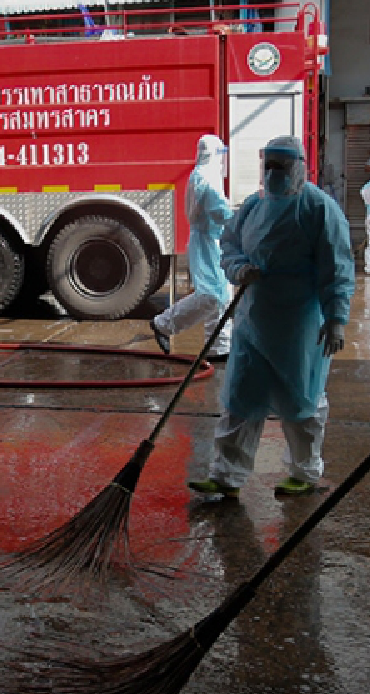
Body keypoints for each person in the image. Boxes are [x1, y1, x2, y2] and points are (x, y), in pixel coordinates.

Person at [187, 135, 353, 499]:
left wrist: (336, 317)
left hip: (298, 324)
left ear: (300, 166)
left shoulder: (318, 208)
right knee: (239, 398)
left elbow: (336, 266)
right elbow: (228, 244)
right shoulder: (253, 206)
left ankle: (304, 472)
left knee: (302, 400)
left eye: (282, 166)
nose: (274, 173)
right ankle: (225, 475)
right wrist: (239, 267)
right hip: (253, 320)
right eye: (269, 166)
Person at [151, 135, 234, 360]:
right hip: (207, 243)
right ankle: (163, 324)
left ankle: (219, 347)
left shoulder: (203, 176)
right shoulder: (205, 179)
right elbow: (221, 212)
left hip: (212, 241)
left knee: (223, 295)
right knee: (211, 295)